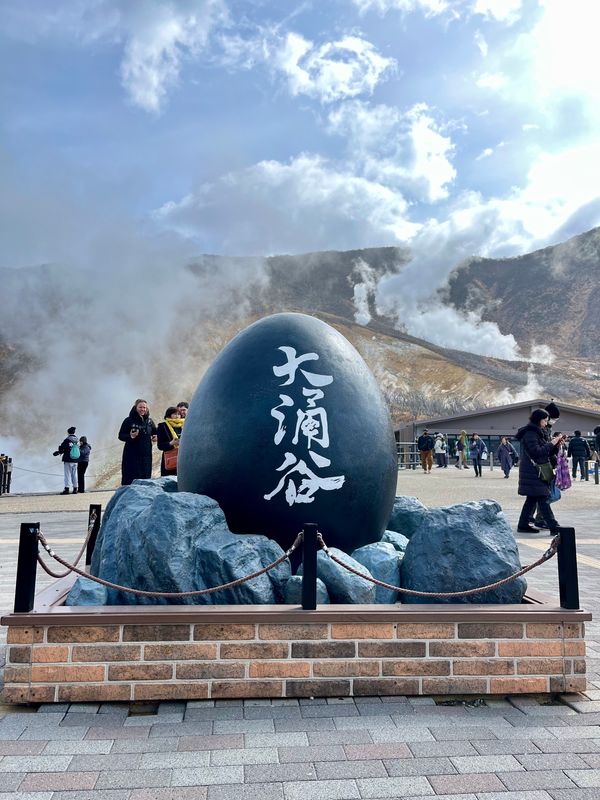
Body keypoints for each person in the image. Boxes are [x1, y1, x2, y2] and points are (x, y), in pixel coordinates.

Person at [515, 408, 565, 534]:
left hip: (534, 470)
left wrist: (556, 445)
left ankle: (523, 525)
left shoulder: (537, 432)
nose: (546, 423)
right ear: (538, 420)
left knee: (532, 499)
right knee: (543, 498)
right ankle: (554, 527)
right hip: (533, 471)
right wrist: (552, 443)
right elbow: (537, 452)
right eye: (545, 420)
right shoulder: (530, 433)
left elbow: (546, 452)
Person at [118, 399, 157, 486]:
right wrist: (131, 436)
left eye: (144, 407)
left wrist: (155, 437)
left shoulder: (149, 421)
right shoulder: (128, 420)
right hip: (131, 456)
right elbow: (120, 435)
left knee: (145, 479)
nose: (142, 409)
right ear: (135, 408)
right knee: (131, 479)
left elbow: (155, 432)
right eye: (140, 407)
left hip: (146, 455)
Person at [156, 406, 184, 476]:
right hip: (170, 458)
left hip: (183, 458)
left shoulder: (184, 425)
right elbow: (160, 446)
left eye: (178, 414)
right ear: (169, 415)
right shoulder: (162, 426)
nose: (177, 416)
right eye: (174, 414)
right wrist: (171, 443)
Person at [53, 426, 79, 495]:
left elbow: (62, 448)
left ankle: (67, 489)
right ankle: (75, 489)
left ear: (68, 433)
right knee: (74, 475)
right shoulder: (77, 440)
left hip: (68, 460)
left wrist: (58, 452)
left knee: (67, 475)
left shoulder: (67, 440)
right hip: (76, 460)